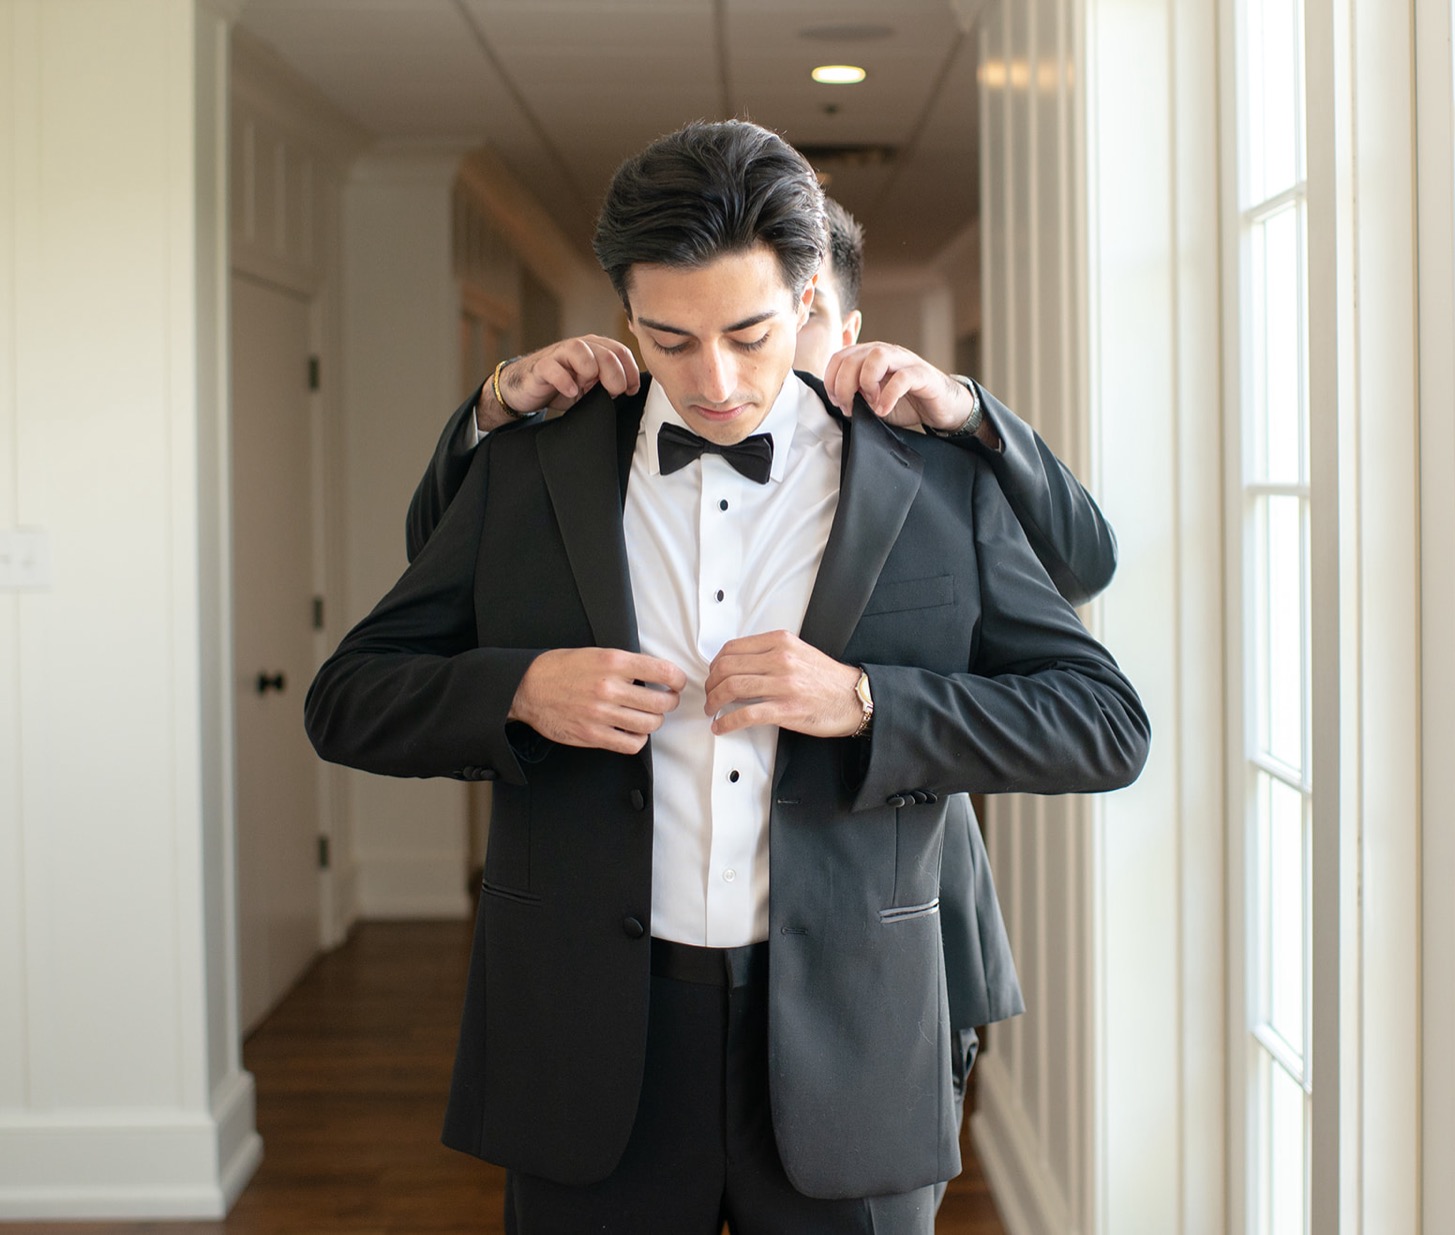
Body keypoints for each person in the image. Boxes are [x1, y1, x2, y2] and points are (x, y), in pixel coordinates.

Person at [306, 119, 1149, 1234]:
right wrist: (518, 690)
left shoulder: (931, 475)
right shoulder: (533, 460)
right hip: (587, 1041)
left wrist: (863, 702)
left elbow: (1105, 723)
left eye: (749, 334)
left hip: (852, 1041)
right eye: (669, 339)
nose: (712, 381)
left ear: (809, 298)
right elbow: (347, 695)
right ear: (626, 319)